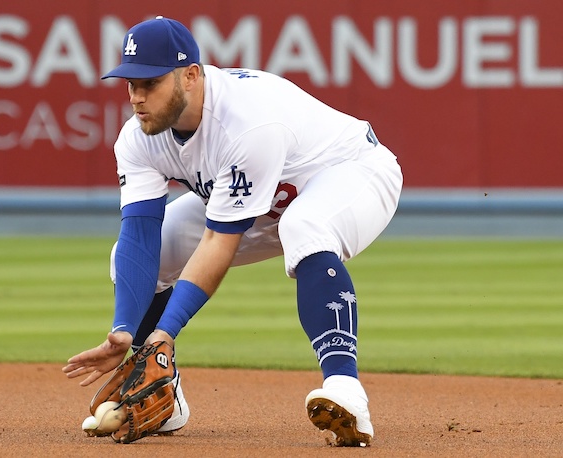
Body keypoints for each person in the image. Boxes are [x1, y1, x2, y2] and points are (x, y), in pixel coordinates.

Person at [62, 15, 402, 447]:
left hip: (352, 173)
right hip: (263, 201)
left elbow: (218, 242)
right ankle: (167, 397)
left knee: (306, 225)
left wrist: (165, 334)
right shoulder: (138, 137)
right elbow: (140, 236)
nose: (137, 96)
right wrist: (126, 330)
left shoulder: (247, 121)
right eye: (130, 83)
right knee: (142, 254)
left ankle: (345, 390)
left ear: (190, 75)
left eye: (150, 83)